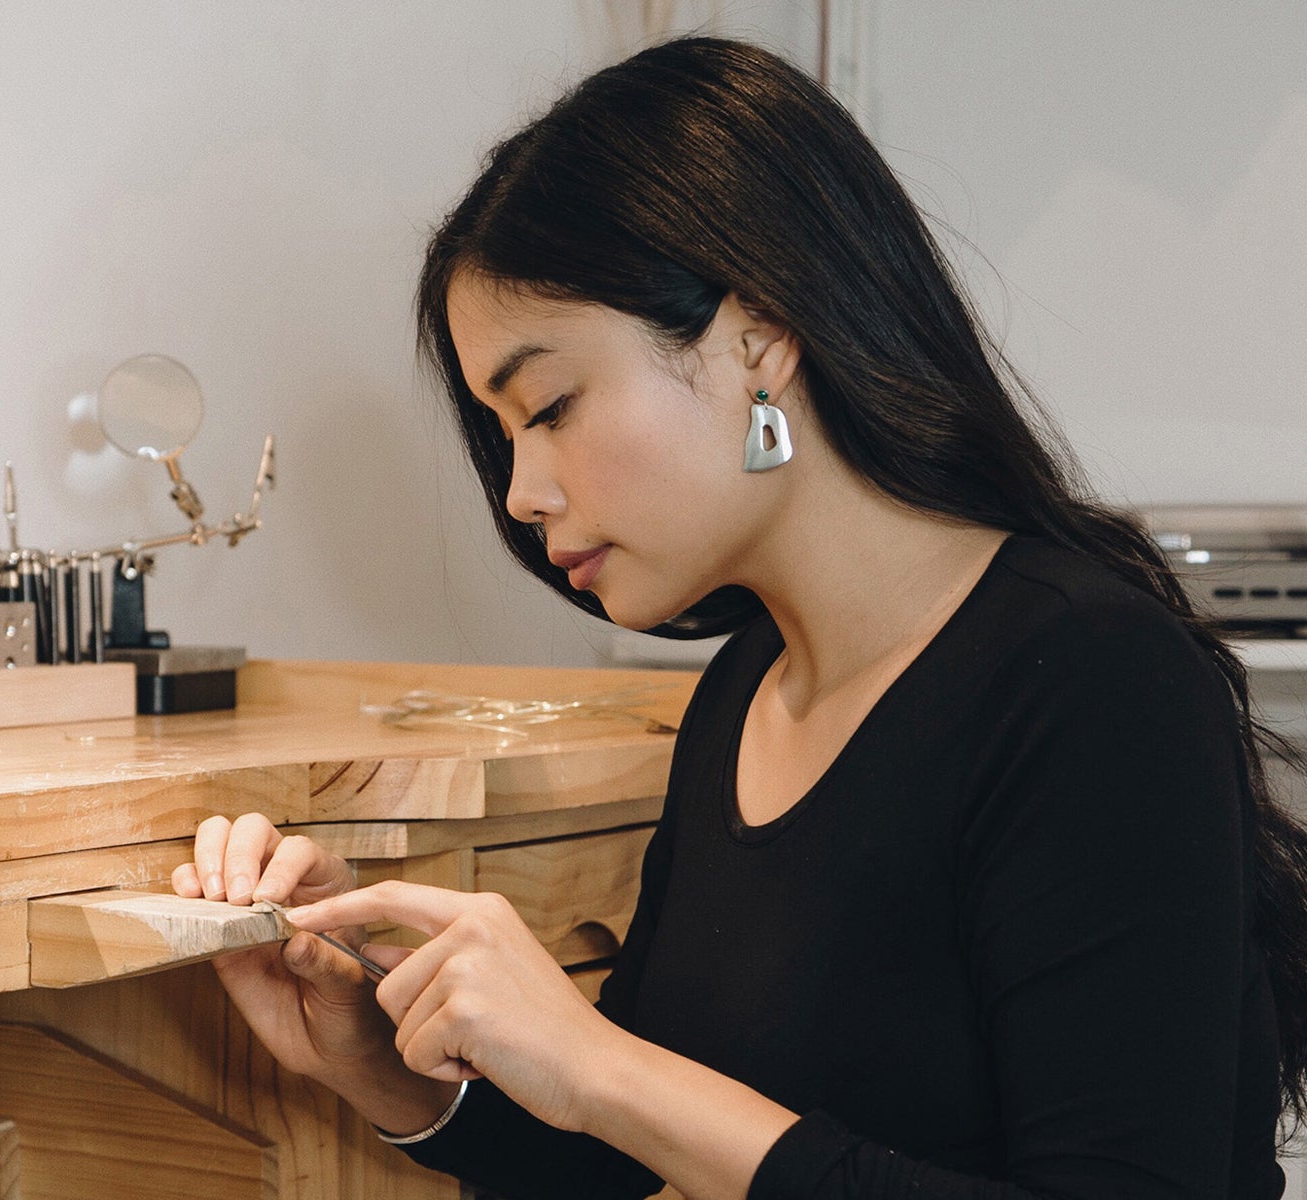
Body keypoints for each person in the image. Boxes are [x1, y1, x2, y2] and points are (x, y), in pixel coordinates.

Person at [173, 36, 1307, 1198]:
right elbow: (635, 1158)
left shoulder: (1088, 679)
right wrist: (381, 1066)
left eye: (550, 405)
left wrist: (601, 1062)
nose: (520, 491)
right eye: (506, 434)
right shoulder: (746, 692)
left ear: (757, 334)